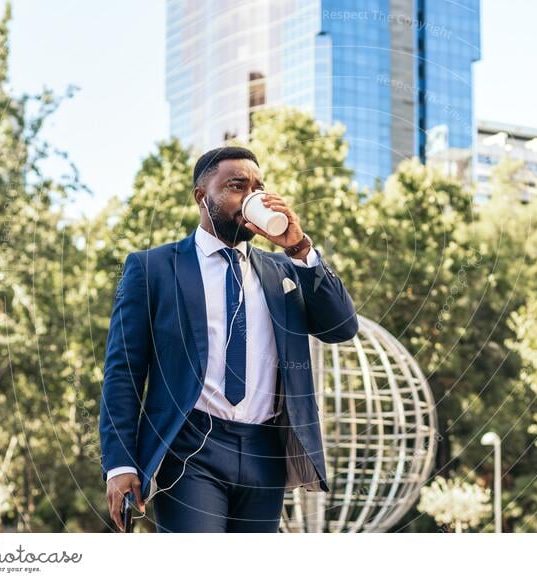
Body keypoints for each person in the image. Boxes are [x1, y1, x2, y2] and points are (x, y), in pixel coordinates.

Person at [99, 146, 359, 532]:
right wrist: (119, 463)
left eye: (258, 187)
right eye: (238, 186)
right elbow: (124, 370)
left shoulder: (283, 270)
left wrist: (300, 248)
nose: (251, 196)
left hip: (264, 451)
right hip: (190, 447)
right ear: (202, 197)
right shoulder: (152, 268)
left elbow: (341, 327)